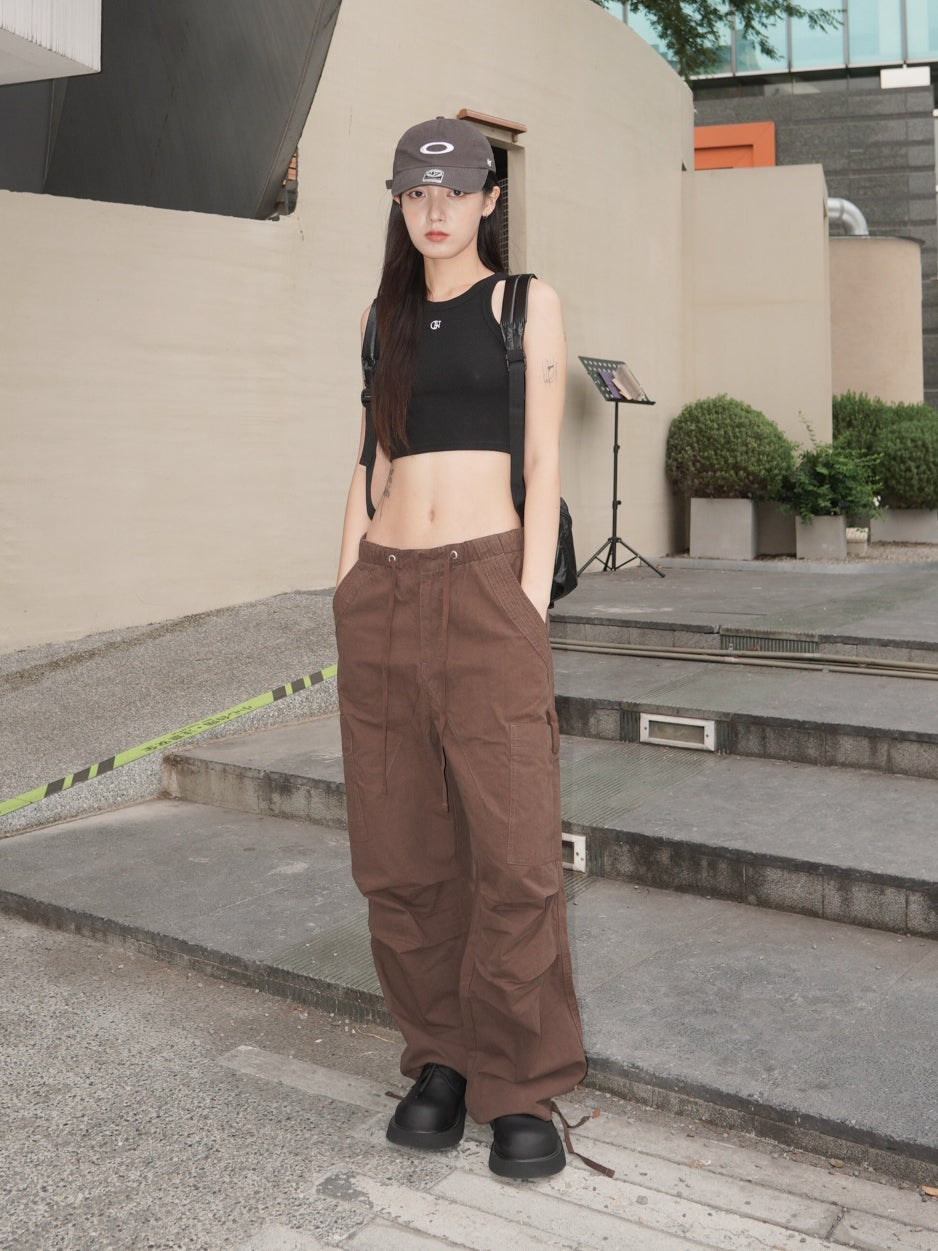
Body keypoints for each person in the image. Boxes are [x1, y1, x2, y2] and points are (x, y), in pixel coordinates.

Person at [333, 116, 586, 1180]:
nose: (433, 211)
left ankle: (519, 1084)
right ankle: (438, 1059)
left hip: (488, 590)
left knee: (514, 854)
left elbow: (544, 458)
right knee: (401, 853)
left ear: (489, 198)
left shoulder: (524, 305)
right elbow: (368, 459)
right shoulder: (381, 320)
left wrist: (525, 601)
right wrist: (346, 584)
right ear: (399, 203)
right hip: (383, 592)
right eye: (414, 193)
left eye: (453, 192)